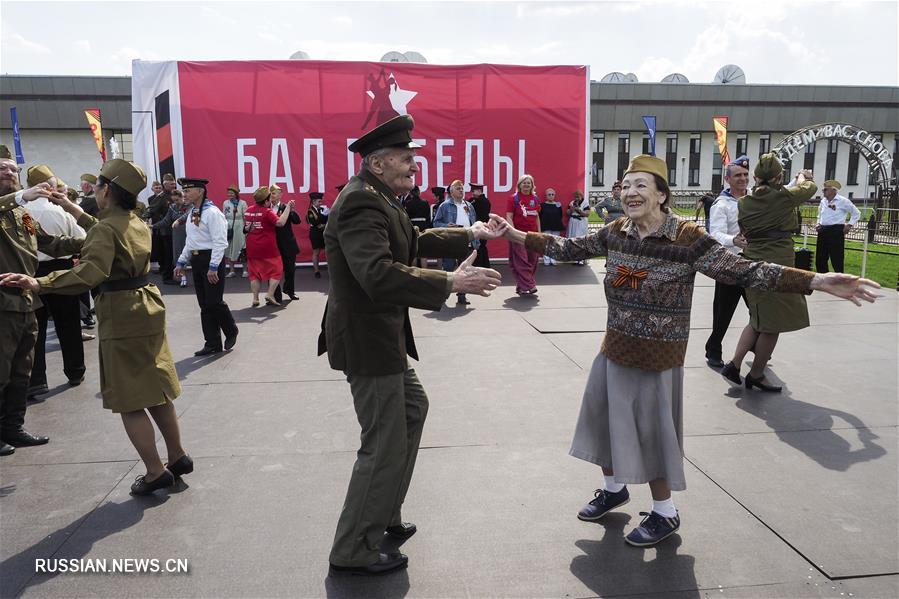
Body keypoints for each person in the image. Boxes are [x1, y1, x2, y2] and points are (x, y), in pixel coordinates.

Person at [494, 154, 878, 547]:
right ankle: (614, 489)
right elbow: (569, 246)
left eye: (641, 185)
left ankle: (665, 512)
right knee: (605, 423)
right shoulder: (616, 232)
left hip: (659, 357)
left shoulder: (687, 238)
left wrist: (814, 280)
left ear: (662, 195)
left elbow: (745, 270)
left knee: (655, 435)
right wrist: (515, 235)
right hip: (614, 349)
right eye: (626, 185)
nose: (630, 192)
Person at [319, 115, 504, 577]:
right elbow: (377, 273)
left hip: (383, 337)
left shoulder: (379, 196)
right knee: (382, 443)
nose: (414, 167)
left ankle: (382, 513)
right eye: (406, 159)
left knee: (412, 410)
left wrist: (471, 233)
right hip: (368, 340)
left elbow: (412, 238)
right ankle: (354, 548)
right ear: (378, 163)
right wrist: (449, 280)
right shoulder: (362, 203)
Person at [1, 159, 193, 495]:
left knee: (130, 400)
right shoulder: (134, 220)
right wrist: (71, 207)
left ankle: (154, 472)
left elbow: (89, 272)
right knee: (157, 388)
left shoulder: (107, 228)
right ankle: (177, 456)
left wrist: (39, 282)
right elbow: (103, 230)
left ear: (106, 191)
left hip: (121, 313)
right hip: (146, 305)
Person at [0, 146, 85, 456]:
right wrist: (23, 196)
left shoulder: (23, 215)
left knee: (22, 368)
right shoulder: (14, 204)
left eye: (14, 169)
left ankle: (13, 427)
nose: (10, 173)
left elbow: (49, 243)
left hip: (25, 300)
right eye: (3, 169)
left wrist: (92, 238)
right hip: (2, 303)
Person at [721, 158, 820, 391]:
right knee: (771, 325)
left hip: (752, 262)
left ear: (754, 178)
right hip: (778, 264)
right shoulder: (784, 197)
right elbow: (810, 188)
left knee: (757, 318)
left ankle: (734, 365)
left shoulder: (744, 202)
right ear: (778, 178)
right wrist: (803, 176)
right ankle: (756, 374)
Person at [22, 165, 87, 396]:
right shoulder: (62, 211)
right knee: (68, 323)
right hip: (63, 267)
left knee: (35, 327)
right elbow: (82, 237)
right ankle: (75, 371)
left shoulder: (23, 211)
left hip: (32, 270)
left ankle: (37, 379)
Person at [174, 177, 239, 356]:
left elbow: (220, 242)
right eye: (184, 191)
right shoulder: (193, 212)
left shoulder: (213, 213)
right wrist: (181, 261)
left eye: (188, 190)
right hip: (196, 260)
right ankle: (212, 343)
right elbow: (191, 241)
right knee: (204, 304)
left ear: (200, 191)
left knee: (214, 301)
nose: (184, 194)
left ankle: (231, 329)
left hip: (211, 260)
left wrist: (213, 266)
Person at [703, 155, 751, 368]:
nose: (743, 179)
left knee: (759, 310)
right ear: (727, 179)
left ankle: (758, 346)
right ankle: (714, 350)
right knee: (723, 312)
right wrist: (734, 240)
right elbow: (715, 234)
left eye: (746, 175)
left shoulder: (753, 200)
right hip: (730, 263)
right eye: (738, 175)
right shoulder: (721, 204)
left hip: (753, 263)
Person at [433, 179, 480, 305]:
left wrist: (476, 240)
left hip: (467, 241)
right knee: (448, 269)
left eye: (462, 188)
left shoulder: (469, 206)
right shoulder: (444, 205)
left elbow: (474, 223)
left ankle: (462, 297)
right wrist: (446, 225)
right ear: (451, 191)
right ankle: (443, 295)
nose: (461, 190)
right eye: (458, 188)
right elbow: (436, 223)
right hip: (451, 242)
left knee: (464, 270)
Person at [244, 186, 293, 306]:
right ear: (266, 201)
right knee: (277, 270)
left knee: (254, 274)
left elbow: (246, 228)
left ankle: (255, 298)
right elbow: (280, 223)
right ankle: (270, 294)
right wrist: (288, 208)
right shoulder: (267, 212)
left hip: (251, 247)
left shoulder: (248, 210)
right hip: (268, 248)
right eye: (269, 199)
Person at [506, 174, 542, 294]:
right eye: (524, 182)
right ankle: (530, 285)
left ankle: (522, 286)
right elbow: (509, 216)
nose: (526, 185)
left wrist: (539, 233)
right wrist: (513, 232)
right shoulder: (513, 198)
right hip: (518, 234)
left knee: (533, 260)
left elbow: (537, 217)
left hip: (533, 235)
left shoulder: (535, 199)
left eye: (529, 183)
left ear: (532, 185)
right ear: (519, 185)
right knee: (521, 260)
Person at [815, 179, 860, 273]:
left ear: (833, 190)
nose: (823, 192)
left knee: (837, 257)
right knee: (820, 257)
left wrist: (849, 225)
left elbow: (856, 213)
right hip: (823, 230)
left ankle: (839, 280)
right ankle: (823, 278)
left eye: (825, 190)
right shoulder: (823, 201)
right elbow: (820, 214)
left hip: (836, 231)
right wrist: (818, 223)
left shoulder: (843, 201)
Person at [153, 188, 191, 287]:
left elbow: (188, 215)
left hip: (190, 234)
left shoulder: (190, 206)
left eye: (177, 200)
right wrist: (153, 226)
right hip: (177, 236)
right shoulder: (172, 207)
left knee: (194, 256)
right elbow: (165, 221)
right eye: (174, 200)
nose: (176, 202)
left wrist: (178, 221)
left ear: (182, 197)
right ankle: (183, 278)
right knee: (178, 255)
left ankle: (199, 277)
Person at [270, 184, 301, 302]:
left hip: (288, 244)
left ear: (280, 195)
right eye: (270, 193)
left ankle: (289, 290)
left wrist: (291, 210)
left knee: (290, 269)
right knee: (273, 271)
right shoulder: (266, 208)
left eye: (274, 193)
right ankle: (274, 295)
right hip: (272, 245)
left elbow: (297, 221)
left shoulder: (285, 207)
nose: (272, 195)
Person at [147, 174, 176, 285]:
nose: (173, 186)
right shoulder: (161, 196)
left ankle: (172, 275)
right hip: (165, 230)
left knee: (173, 254)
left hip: (176, 229)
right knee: (168, 255)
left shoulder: (175, 194)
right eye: (171, 184)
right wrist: (145, 219)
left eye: (174, 184)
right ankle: (167, 277)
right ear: (165, 184)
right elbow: (150, 210)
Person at [402, 186, 431, 268]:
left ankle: (414, 273)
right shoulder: (425, 202)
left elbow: (406, 217)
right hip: (423, 226)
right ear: (419, 192)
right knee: (423, 250)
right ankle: (425, 272)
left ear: (410, 194)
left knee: (413, 250)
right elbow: (428, 217)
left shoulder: (408, 203)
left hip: (413, 226)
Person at [223, 184, 248, 278]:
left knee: (242, 247)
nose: (230, 194)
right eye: (229, 193)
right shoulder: (225, 203)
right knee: (229, 248)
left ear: (236, 194)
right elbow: (224, 214)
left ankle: (245, 270)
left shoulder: (242, 203)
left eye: (232, 193)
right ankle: (231, 270)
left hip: (239, 226)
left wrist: (246, 228)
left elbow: (246, 215)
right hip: (229, 226)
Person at [539, 188, 564, 266]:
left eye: (552, 194)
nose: (551, 196)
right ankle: (546, 259)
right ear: (546, 196)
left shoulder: (558, 205)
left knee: (555, 243)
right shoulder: (542, 205)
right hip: (546, 226)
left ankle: (553, 259)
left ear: (554, 195)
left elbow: (560, 215)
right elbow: (540, 216)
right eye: (549, 194)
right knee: (546, 243)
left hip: (556, 226)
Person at [305, 192, 328, 278]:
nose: (320, 203)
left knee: (328, 251)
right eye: (319, 201)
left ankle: (330, 268)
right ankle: (316, 271)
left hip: (324, 232)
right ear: (313, 202)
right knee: (316, 252)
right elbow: (315, 222)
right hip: (315, 233)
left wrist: (324, 216)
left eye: (321, 201)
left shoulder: (322, 209)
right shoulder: (310, 211)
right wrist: (323, 218)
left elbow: (327, 218)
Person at [469, 183, 492, 268]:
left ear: (479, 191)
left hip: (478, 227)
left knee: (478, 248)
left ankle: (479, 266)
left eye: (473, 191)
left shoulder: (477, 201)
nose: (472, 194)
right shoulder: (486, 201)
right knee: (482, 247)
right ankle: (486, 266)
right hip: (484, 227)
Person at [566, 190, 591, 265]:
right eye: (575, 197)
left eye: (578, 197)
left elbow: (587, 214)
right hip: (573, 222)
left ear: (581, 196)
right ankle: (574, 258)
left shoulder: (585, 203)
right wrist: (571, 209)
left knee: (581, 239)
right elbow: (567, 212)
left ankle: (581, 259)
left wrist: (579, 210)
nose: (577, 198)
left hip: (581, 222)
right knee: (573, 239)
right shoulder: (572, 202)